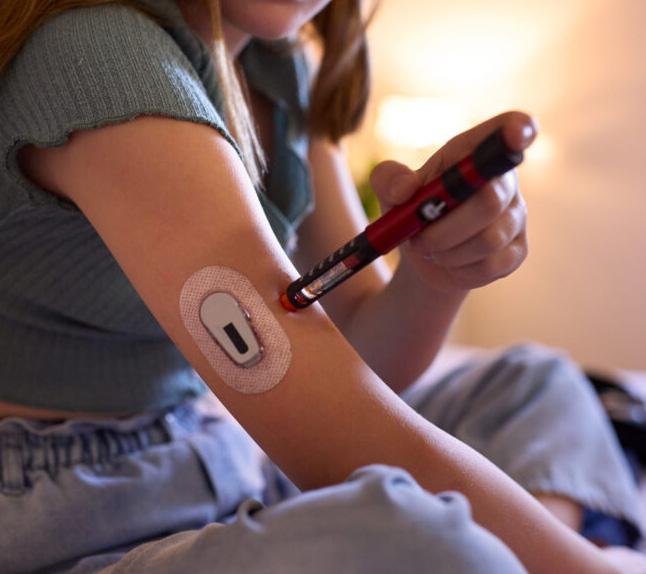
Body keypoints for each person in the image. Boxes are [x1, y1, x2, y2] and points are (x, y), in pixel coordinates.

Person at [0, 0, 643, 572]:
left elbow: (361, 355)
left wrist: (434, 278)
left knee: (534, 384)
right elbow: (337, 435)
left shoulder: (280, 69)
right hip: (72, 520)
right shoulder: (98, 60)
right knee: (410, 540)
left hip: (214, 452)